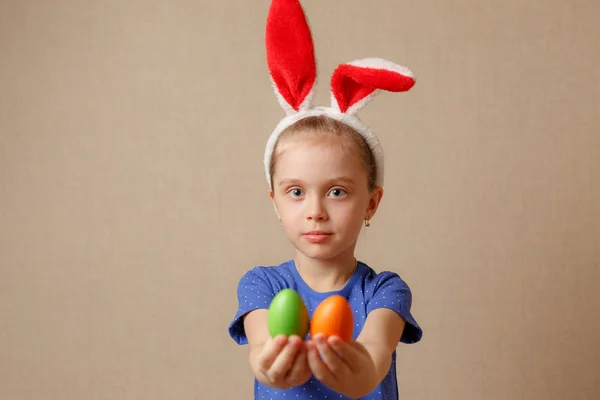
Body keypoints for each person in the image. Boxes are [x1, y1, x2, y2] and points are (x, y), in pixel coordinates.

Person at [228, 1, 423, 398]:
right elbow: (262, 348)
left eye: (337, 191)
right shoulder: (261, 284)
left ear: (371, 203)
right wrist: (270, 366)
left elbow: (374, 354)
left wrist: (359, 374)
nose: (315, 211)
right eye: (296, 192)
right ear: (276, 204)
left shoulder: (385, 291)